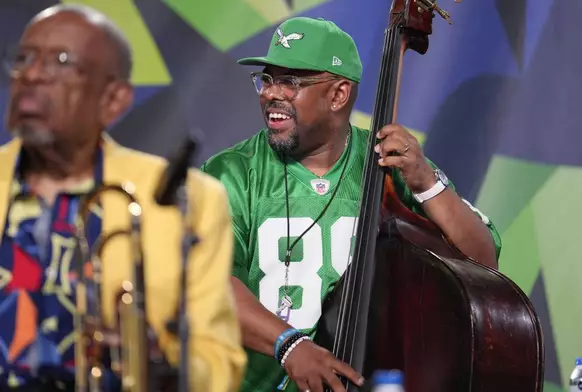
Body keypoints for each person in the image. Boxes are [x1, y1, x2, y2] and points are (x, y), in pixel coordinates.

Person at [200, 16, 501, 392]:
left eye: (290, 81)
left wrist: (425, 182)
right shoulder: (230, 173)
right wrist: (290, 346)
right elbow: (207, 281)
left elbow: (483, 264)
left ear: (338, 94)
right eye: (267, 79)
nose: (270, 93)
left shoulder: (389, 166)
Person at [0, 4, 246, 391]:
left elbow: (219, 367)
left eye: (61, 62)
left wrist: (159, 368)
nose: (30, 75)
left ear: (113, 100)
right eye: (24, 59)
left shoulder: (186, 199)